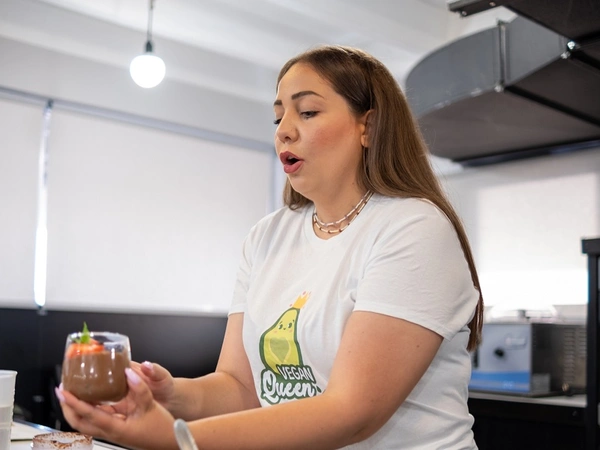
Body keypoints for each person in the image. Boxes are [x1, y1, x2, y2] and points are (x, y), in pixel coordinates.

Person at [56, 45, 484, 449]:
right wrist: (169, 396)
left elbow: (351, 411)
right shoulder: (267, 237)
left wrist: (177, 438)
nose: (284, 131)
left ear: (367, 127)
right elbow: (243, 389)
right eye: (278, 117)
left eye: (308, 112)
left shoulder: (412, 227)